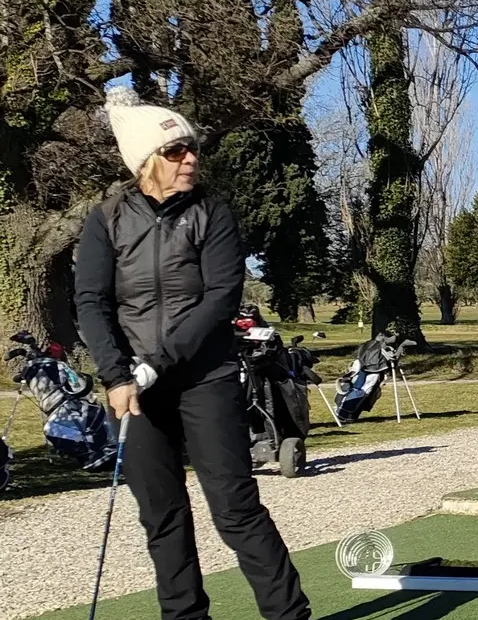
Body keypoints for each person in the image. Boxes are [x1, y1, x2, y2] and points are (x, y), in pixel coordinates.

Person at [74, 87, 310, 620]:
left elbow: (220, 298)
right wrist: (115, 375)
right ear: (146, 161)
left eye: (191, 148)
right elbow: (90, 301)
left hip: (205, 377)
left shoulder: (211, 212)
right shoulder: (106, 219)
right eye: (176, 151)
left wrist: (156, 363)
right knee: (162, 515)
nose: (190, 159)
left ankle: (289, 615)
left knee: (235, 510)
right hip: (131, 388)